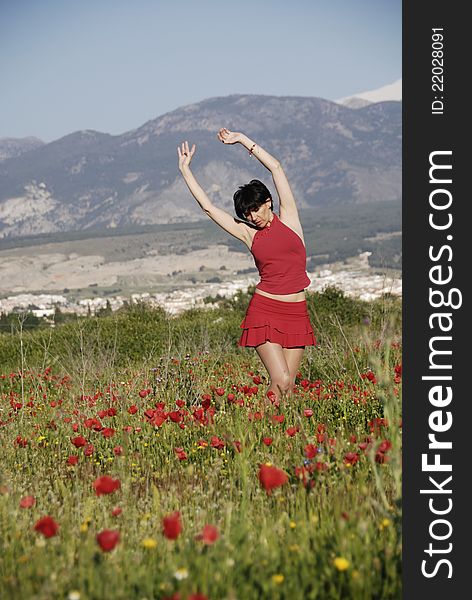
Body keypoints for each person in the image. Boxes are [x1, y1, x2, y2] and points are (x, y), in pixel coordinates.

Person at [177, 128, 316, 402]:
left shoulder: (290, 218)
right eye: (246, 213)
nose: (252, 217)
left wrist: (242, 140)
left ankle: (277, 438)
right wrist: (185, 171)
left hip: (297, 312)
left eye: (255, 209)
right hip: (266, 310)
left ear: (268, 202)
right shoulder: (249, 234)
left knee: (288, 390)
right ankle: (256, 429)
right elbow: (208, 208)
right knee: (281, 379)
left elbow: (276, 167)